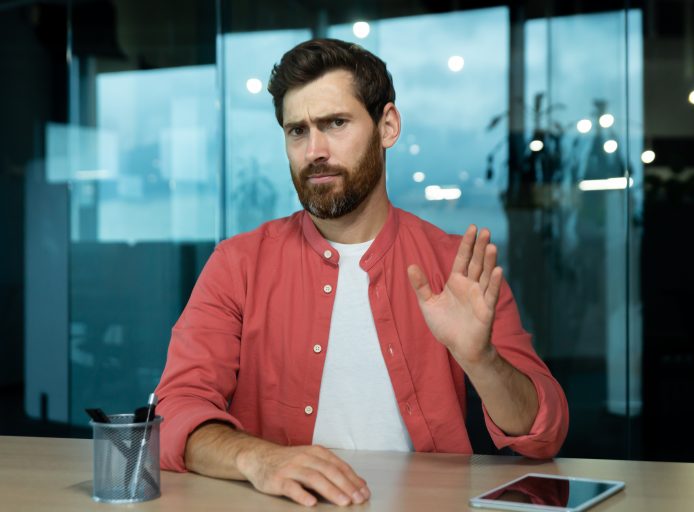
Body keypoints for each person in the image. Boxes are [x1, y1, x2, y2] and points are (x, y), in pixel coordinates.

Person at [154, 38, 568, 508]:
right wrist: (259, 458)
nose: (314, 150)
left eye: (335, 123)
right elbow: (174, 412)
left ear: (387, 126)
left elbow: (544, 435)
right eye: (297, 131)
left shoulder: (456, 265)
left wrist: (481, 359)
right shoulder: (238, 264)